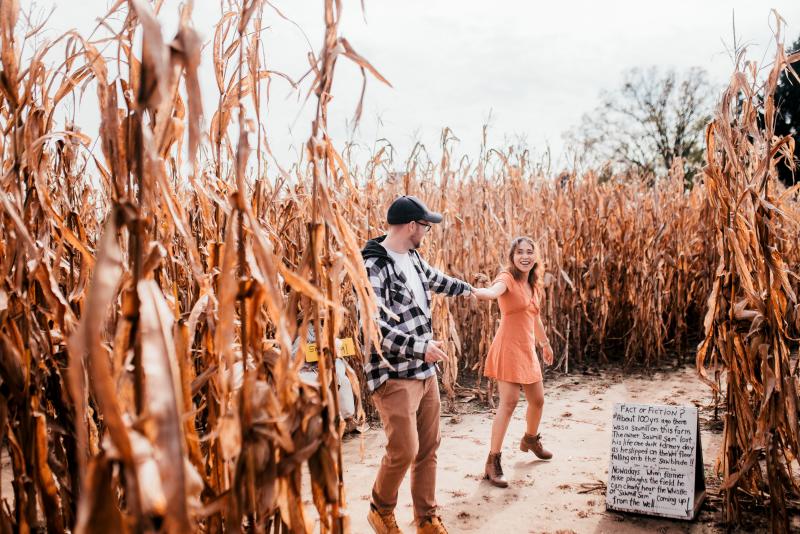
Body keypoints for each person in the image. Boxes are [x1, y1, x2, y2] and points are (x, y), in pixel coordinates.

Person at [360, 195, 474, 534]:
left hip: (426, 372)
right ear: (412, 225)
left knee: (428, 447)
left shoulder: (413, 256)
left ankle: (426, 517)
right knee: (404, 449)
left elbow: (437, 280)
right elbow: (374, 328)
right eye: (425, 226)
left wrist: (471, 290)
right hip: (394, 373)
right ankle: (380, 508)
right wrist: (419, 347)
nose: (427, 231)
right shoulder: (373, 265)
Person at [473, 236, 554, 488]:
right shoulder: (506, 277)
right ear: (512, 255)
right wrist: (478, 291)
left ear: (535, 256)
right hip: (508, 348)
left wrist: (545, 343)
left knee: (537, 400)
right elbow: (493, 292)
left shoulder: (532, 284)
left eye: (530, 252)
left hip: (527, 350)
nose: (525, 256)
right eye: (520, 252)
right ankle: (492, 461)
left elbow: (534, 317)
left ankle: (530, 440)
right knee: (508, 404)